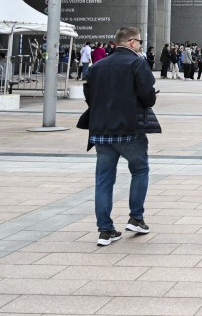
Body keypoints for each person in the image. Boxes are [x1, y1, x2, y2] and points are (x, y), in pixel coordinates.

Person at [83, 27, 157, 246]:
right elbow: (148, 96)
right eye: (140, 41)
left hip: (101, 131)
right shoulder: (137, 63)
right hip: (129, 129)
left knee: (104, 180)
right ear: (131, 42)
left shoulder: (97, 66)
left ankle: (105, 230)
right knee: (140, 170)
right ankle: (136, 217)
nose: (142, 45)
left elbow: (89, 97)